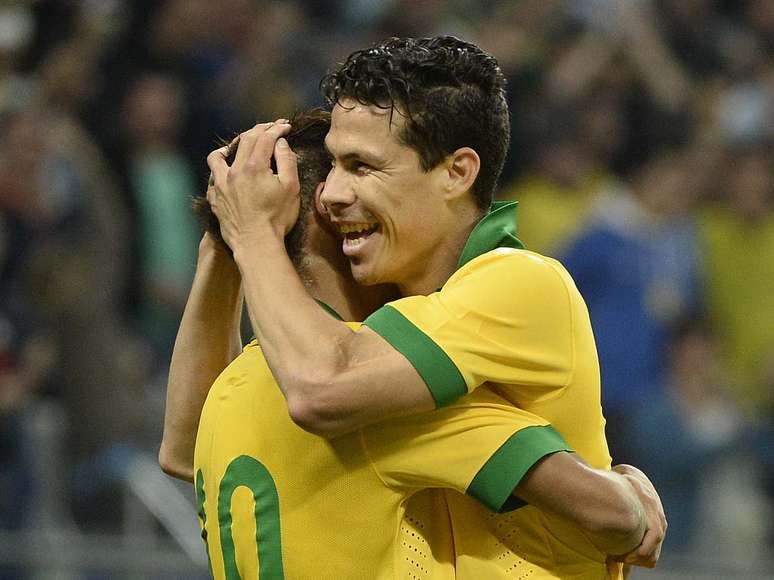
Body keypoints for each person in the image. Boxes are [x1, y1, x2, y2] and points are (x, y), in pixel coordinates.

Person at [205, 36, 665, 577]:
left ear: (457, 172)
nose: (330, 193)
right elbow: (196, 441)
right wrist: (224, 235)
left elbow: (318, 388)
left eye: (362, 166)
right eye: (332, 163)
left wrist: (251, 234)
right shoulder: (393, 331)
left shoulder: (515, 284)